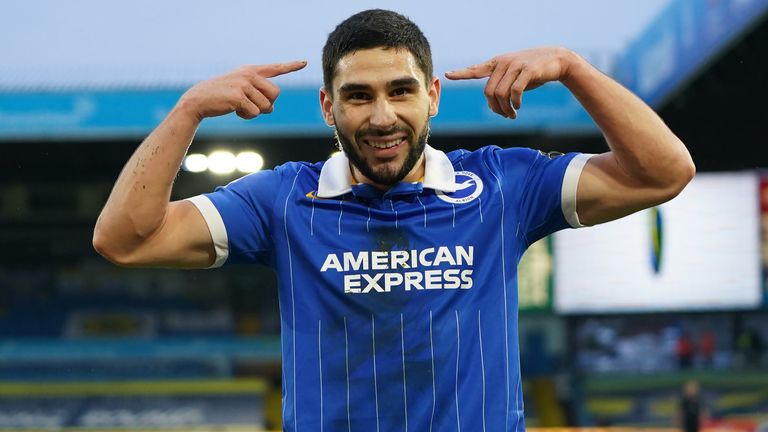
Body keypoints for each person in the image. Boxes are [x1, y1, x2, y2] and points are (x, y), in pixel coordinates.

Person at [93, 9, 695, 431]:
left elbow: (662, 172)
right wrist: (189, 110)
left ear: (432, 95)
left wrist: (574, 69)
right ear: (328, 105)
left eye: (400, 91)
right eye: (358, 96)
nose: (382, 116)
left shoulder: (501, 186)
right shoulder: (282, 201)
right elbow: (123, 239)